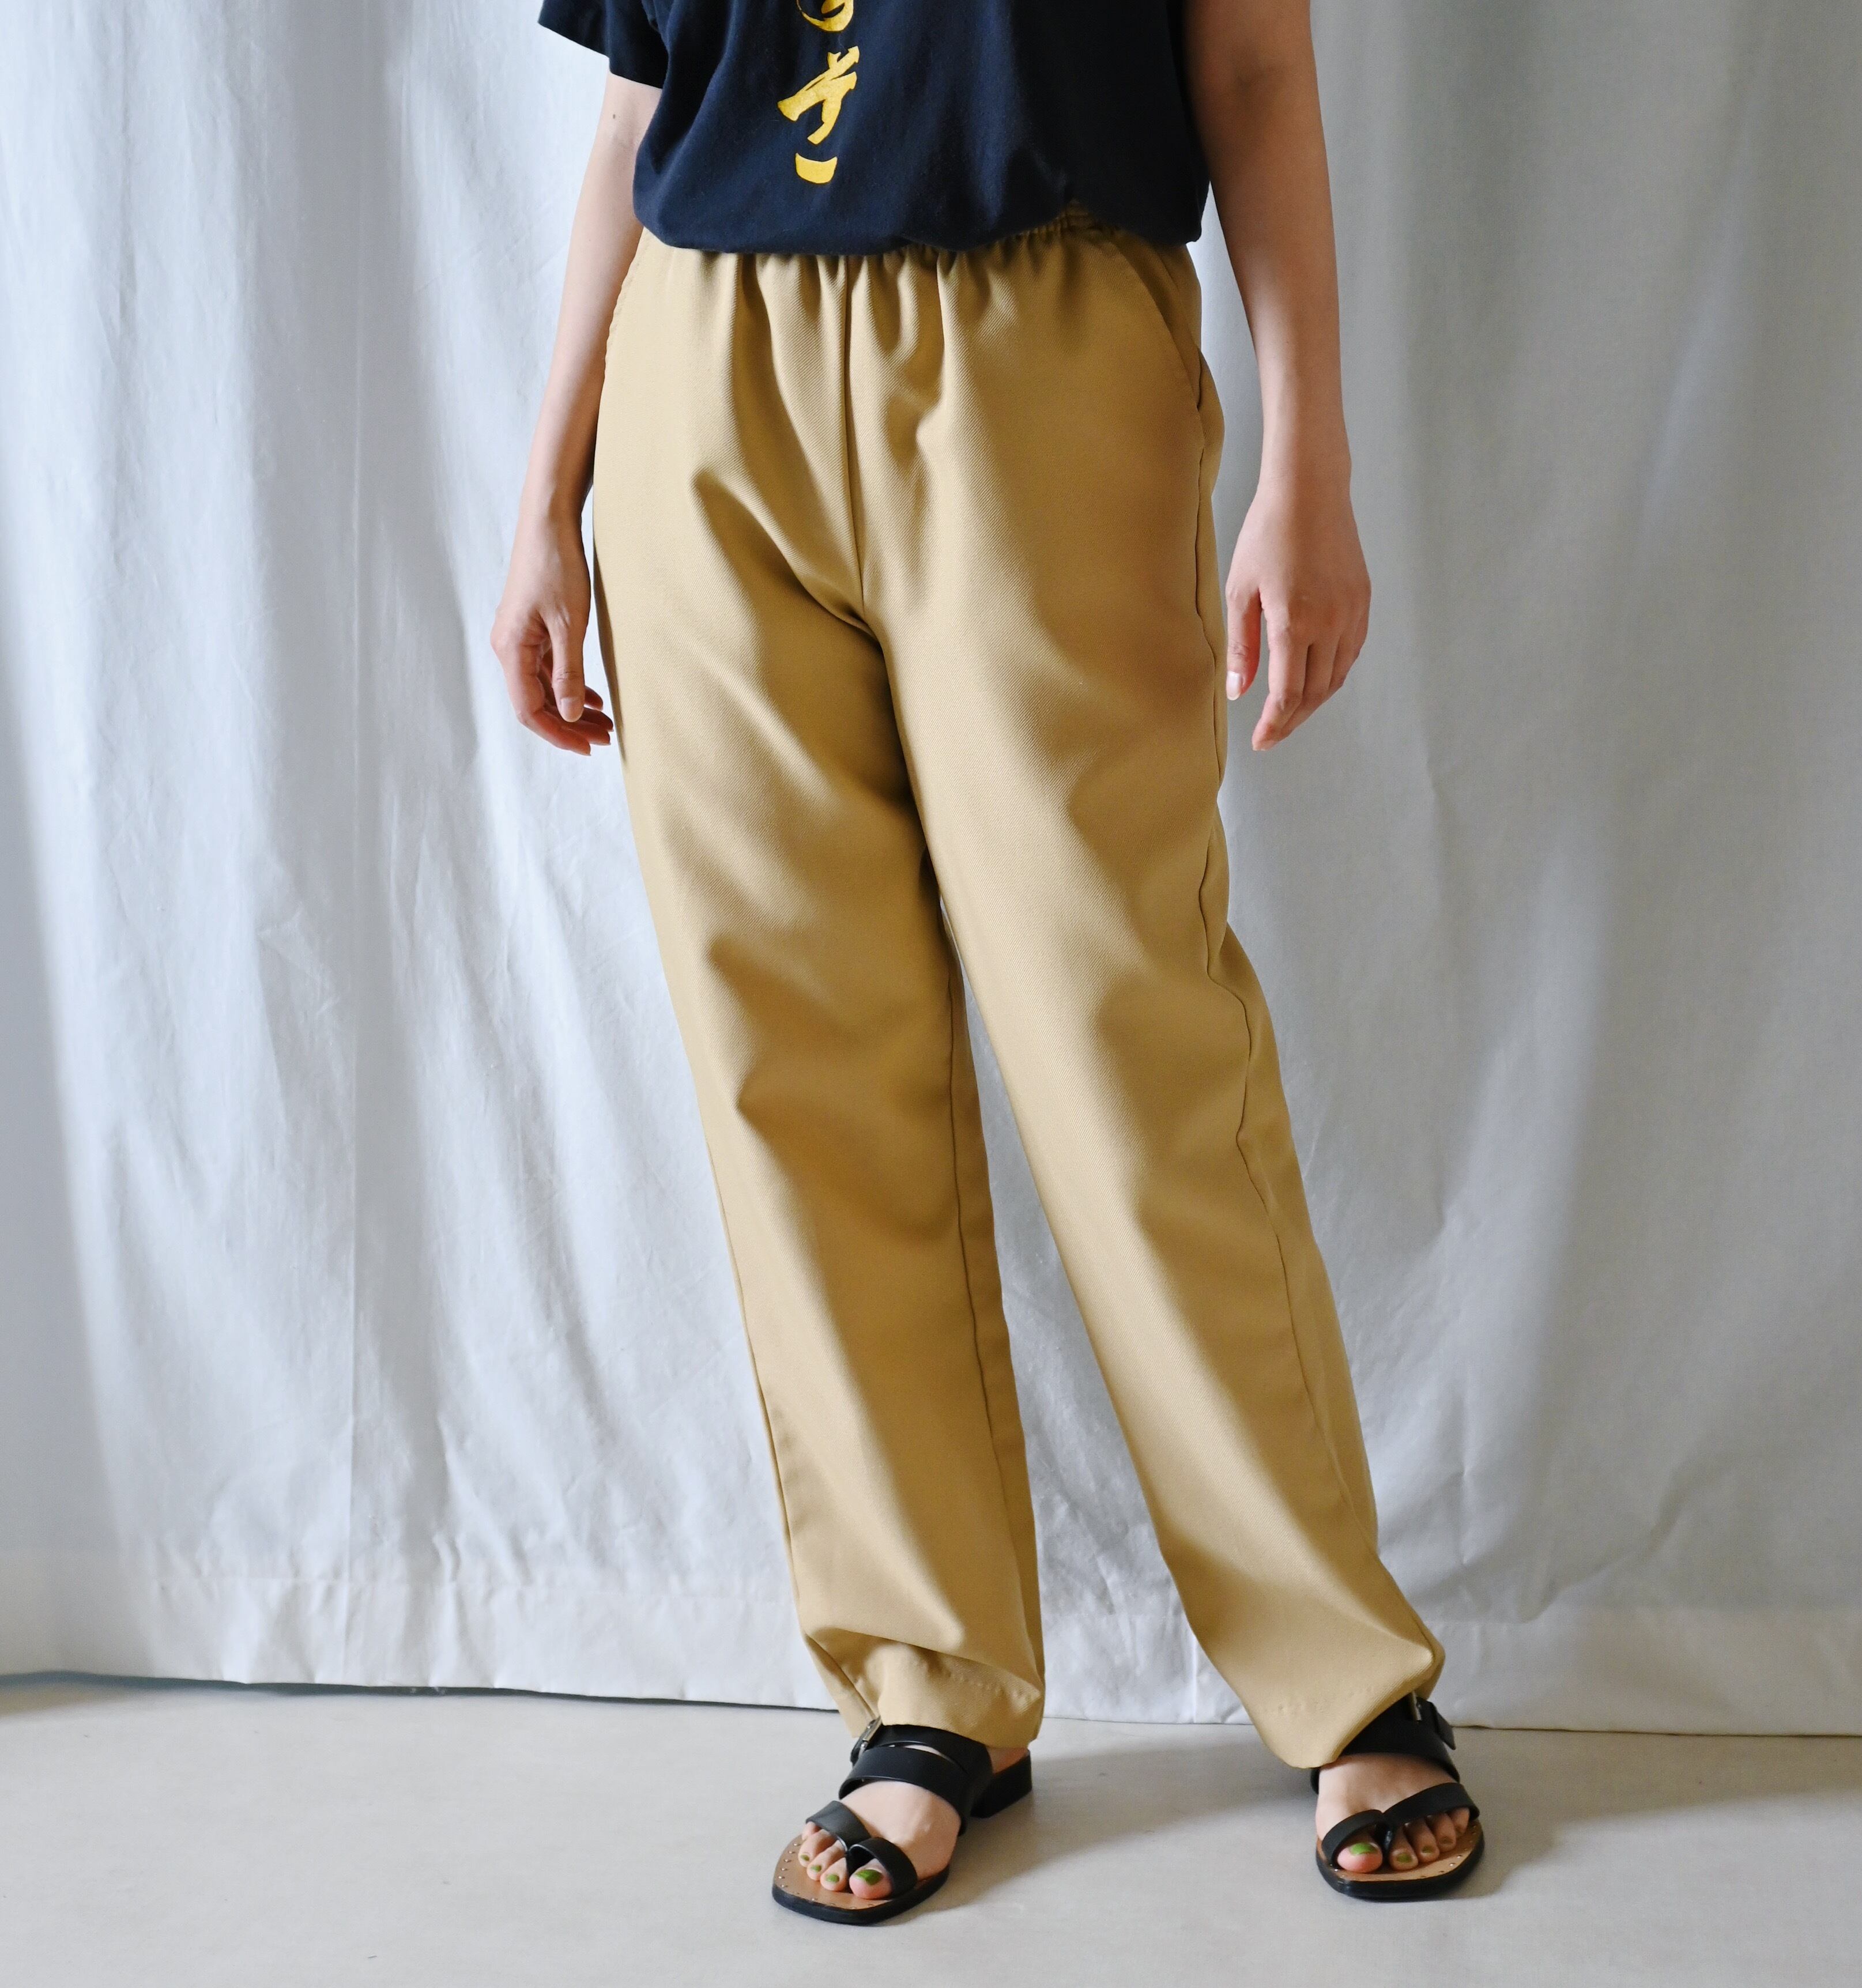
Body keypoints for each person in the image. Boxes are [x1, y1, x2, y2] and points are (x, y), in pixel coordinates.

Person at [493, 0, 1480, 1923]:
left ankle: (1346, 1675)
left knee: (1129, 1040)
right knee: (797, 1069)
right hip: (703, 369)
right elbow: (638, 97)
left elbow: (1251, 62)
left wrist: (1311, 457)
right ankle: (928, 1694)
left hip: (1044, 339)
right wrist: (549, 492)